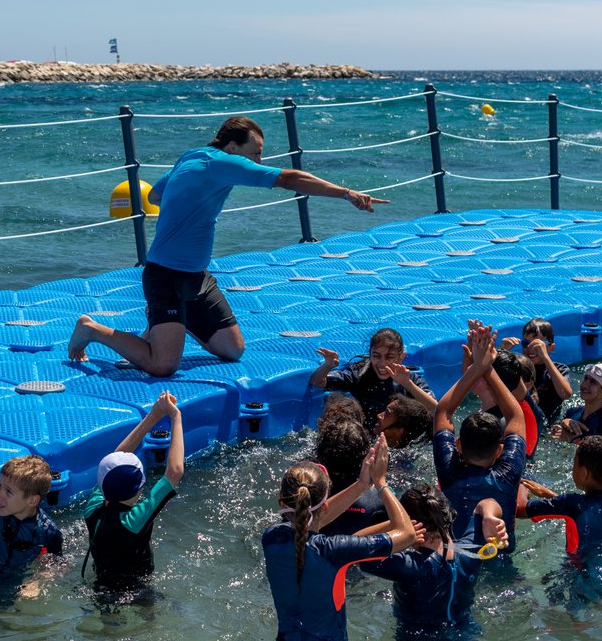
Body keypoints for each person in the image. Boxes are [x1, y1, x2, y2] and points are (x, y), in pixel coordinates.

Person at [68, 115, 387, 377]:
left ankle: (169, 322)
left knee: (233, 350)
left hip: (197, 277)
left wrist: (191, 205)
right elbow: (288, 178)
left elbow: (154, 196)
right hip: (164, 276)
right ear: (233, 146)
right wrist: (346, 193)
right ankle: (92, 329)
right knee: (162, 366)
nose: (259, 161)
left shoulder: (193, 156)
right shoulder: (221, 162)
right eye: (256, 153)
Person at [262, 436, 416, 641]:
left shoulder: (271, 538)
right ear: (324, 506)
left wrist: (361, 485)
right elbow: (407, 534)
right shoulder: (334, 550)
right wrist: (381, 483)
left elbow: (308, 519)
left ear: (280, 500)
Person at [360, 485, 507, 638]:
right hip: (465, 633)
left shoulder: (410, 566)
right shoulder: (472, 552)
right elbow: (487, 503)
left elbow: (352, 548)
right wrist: (489, 516)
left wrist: (396, 525)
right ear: (449, 514)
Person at [433, 322, 527, 545]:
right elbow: (516, 417)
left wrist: (478, 367)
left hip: (457, 561)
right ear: (499, 450)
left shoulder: (449, 472)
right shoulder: (508, 473)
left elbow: (443, 410)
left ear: (458, 445)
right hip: (503, 565)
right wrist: (487, 368)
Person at [83, 391, 183, 591]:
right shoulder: (135, 519)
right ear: (140, 488)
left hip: (101, 586)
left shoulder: (93, 508)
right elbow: (175, 471)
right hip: (137, 589)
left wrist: (153, 416)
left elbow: (117, 456)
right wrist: (176, 417)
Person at [518, 436, 602, 556]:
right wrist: (549, 495)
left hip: (577, 570)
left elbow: (520, 509)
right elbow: (588, 511)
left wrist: (521, 486)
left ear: (584, 473)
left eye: (575, 463)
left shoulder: (572, 503)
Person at [310, 328, 436, 431]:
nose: (382, 363)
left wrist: (407, 384)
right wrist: (327, 366)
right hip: (367, 437)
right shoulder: (359, 375)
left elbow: (437, 410)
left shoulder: (410, 379)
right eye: (376, 356)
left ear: (401, 356)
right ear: (370, 354)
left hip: (399, 442)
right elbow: (317, 382)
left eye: (389, 357)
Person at [502, 317, 572, 427]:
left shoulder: (559, 369)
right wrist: (502, 352)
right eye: (526, 343)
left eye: (537, 345)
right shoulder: (517, 366)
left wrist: (545, 357)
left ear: (551, 348)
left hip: (547, 427)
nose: (530, 349)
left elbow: (565, 393)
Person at [550, 363, 602, 443]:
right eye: (585, 378)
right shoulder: (571, 413)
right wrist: (560, 426)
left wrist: (573, 440)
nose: (584, 384)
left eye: (593, 382)